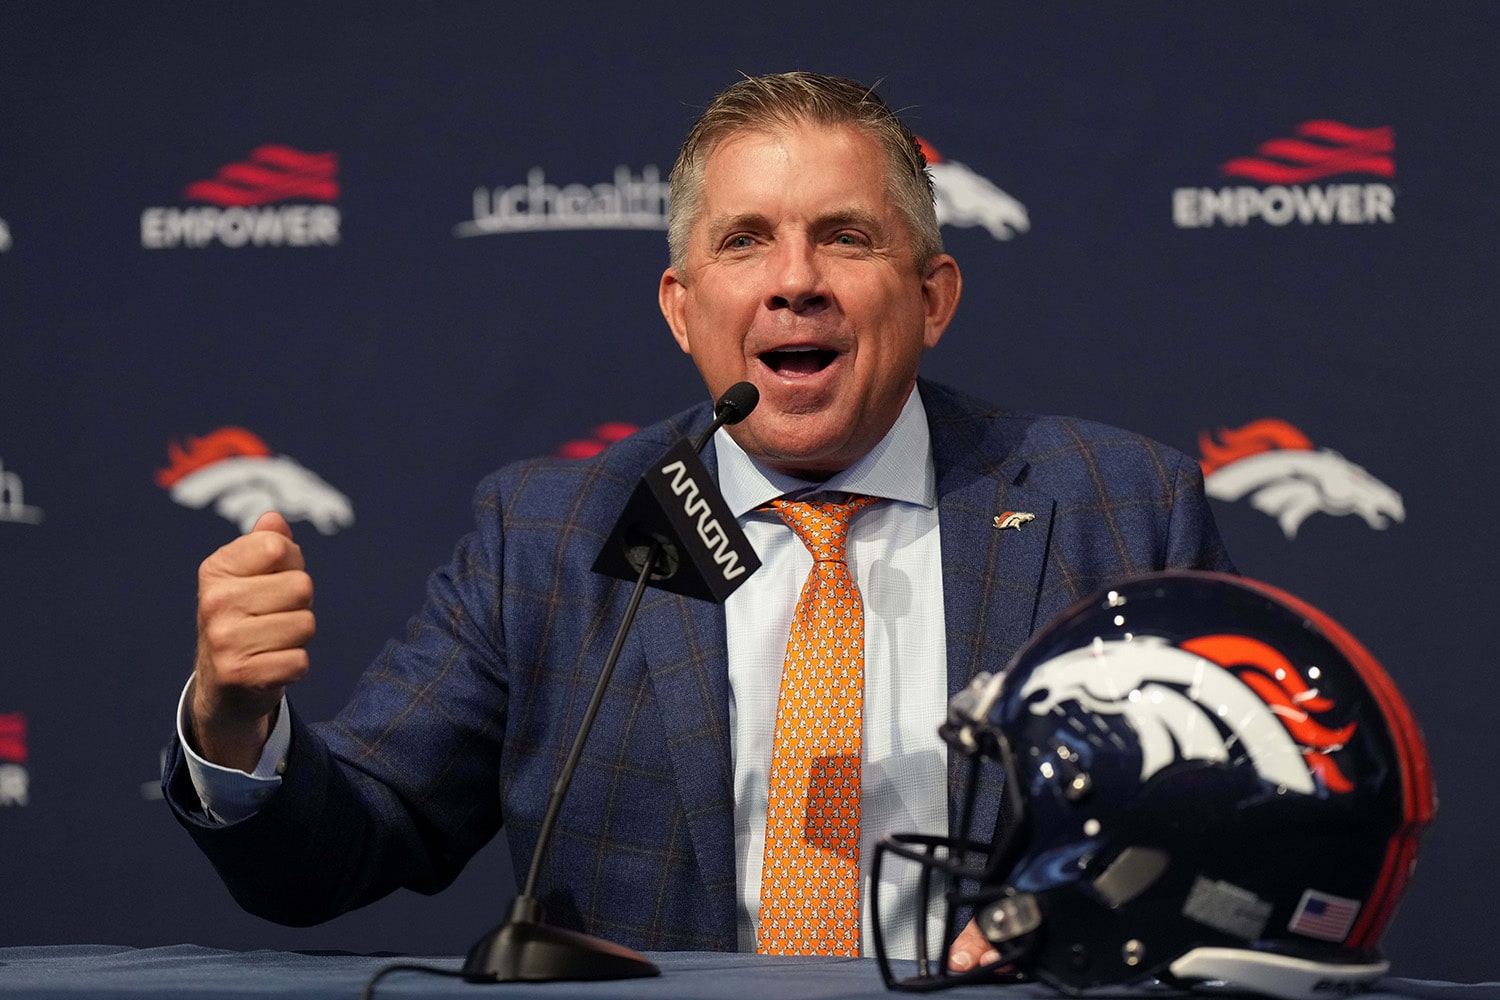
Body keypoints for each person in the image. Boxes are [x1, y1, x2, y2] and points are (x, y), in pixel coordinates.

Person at [165, 72, 1233, 967]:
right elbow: (341, 849)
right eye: (746, 241)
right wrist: (234, 727)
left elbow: (1234, 846)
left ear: (934, 296)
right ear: (683, 307)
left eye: (846, 237)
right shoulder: (549, 536)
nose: (795, 282)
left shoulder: (1120, 512)